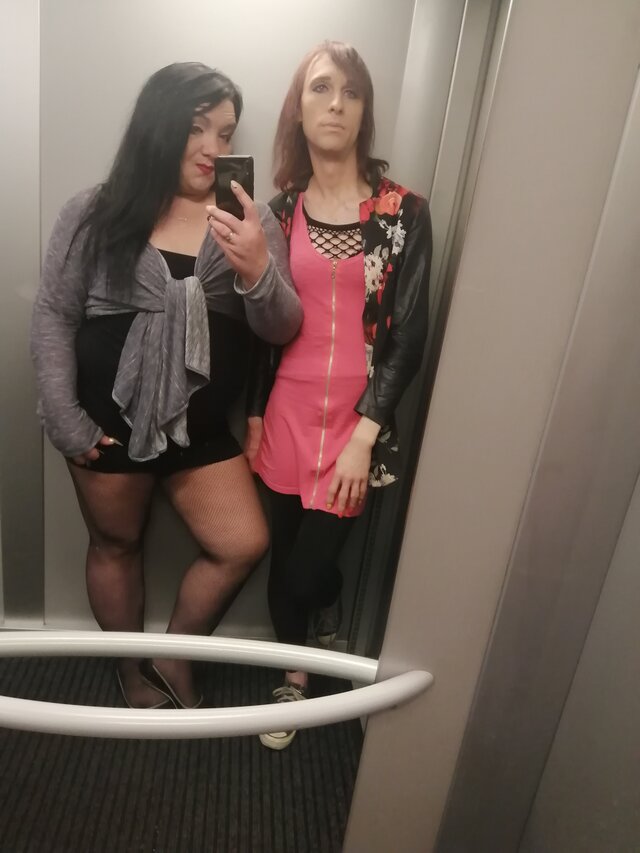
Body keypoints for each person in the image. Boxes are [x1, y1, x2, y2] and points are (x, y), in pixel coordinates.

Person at [31, 62, 302, 710]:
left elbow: (281, 327)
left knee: (243, 542)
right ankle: (132, 677)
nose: (212, 147)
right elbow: (54, 315)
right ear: (159, 126)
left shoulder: (248, 217)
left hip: (200, 431)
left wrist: (257, 270)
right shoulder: (95, 211)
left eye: (225, 133)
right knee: (116, 545)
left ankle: (174, 657)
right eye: (196, 128)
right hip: (107, 425)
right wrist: (64, 419)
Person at [244, 41, 432, 750]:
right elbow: (263, 324)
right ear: (299, 108)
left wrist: (366, 432)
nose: (335, 104)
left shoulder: (402, 212)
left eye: (351, 92)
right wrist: (255, 413)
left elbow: (408, 333)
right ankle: (293, 678)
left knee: (308, 569)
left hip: (358, 424)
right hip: (287, 412)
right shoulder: (278, 212)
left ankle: (323, 608)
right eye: (321, 88)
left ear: (365, 112)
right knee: (283, 555)